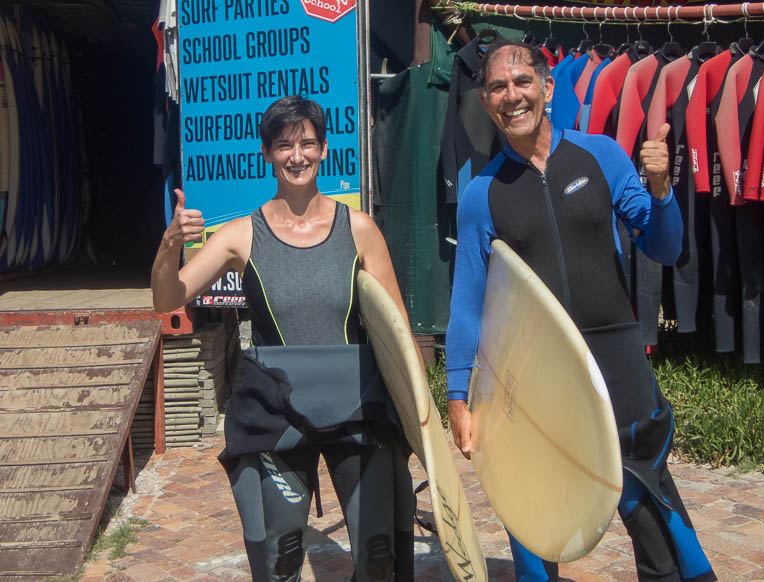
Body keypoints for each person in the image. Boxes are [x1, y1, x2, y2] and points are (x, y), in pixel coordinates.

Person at [445, 40, 716, 582]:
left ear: (548, 87)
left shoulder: (601, 156)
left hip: (616, 358)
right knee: (533, 506)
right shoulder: (482, 194)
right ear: (484, 101)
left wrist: (661, 191)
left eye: (522, 81)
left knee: (648, 504)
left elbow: (664, 247)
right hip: (536, 372)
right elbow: (468, 303)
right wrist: (458, 395)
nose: (512, 95)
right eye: (497, 86)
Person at [151, 95, 414, 582]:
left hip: (358, 400)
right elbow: (169, 296)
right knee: (282, 558)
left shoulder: (359, 229)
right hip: (277, 406)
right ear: (267, 153)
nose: (298, 155)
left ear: (325, 149)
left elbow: (395, 326)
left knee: (379, 558)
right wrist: (170, 245)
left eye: (308, 143)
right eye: (285, 145)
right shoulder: (239, 236)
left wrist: (420, 412)